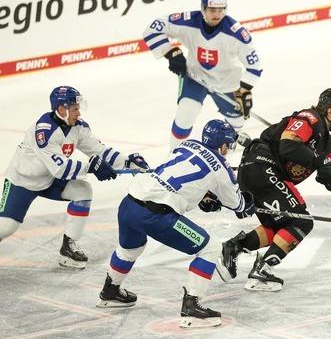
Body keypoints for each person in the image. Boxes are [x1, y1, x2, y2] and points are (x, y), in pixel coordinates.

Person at [95, 119, 256, 328]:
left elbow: (178, 179)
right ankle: (192, 307)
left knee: (131, 249)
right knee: (211, 247)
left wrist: (203, 198)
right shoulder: (222, 167)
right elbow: (238, 204)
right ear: (223, 145)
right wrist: (247, 203)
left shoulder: (186, 144)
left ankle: (110, 292)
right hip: (156, 216)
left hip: (129, 205)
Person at [220, 88, 331, 292]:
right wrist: (318, 159)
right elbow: (288, 145)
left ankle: (235, 246)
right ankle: (262, 271)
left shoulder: (329, 143)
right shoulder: (309, 119)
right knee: (300, 221)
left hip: (260, 173)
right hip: (262, 167)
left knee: (284, 226)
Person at [0, 86, 149, 269]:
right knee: (6, 227)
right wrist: (92, 167)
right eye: (75, 108)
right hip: (21, 182)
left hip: (48, 180)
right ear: (61, 109)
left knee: (83, 191)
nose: (78, 113)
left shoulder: (78, 127)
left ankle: (68, 249)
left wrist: (127, 162)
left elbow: (99, 151)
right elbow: (60, 169)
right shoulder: (44, 131)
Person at [142, 0, 263, 149]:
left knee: (236, 124)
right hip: (195, 77)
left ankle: (233, 137)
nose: (217, 14)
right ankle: (175, 154)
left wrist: (244, 90)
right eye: (212, 10)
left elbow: (254, 66)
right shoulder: (188, 21)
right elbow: (151, 29)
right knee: (185, 114)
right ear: (203, 8)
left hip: (227, 83)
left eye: (221, 10)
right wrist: (171, 53)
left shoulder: (237, 33)